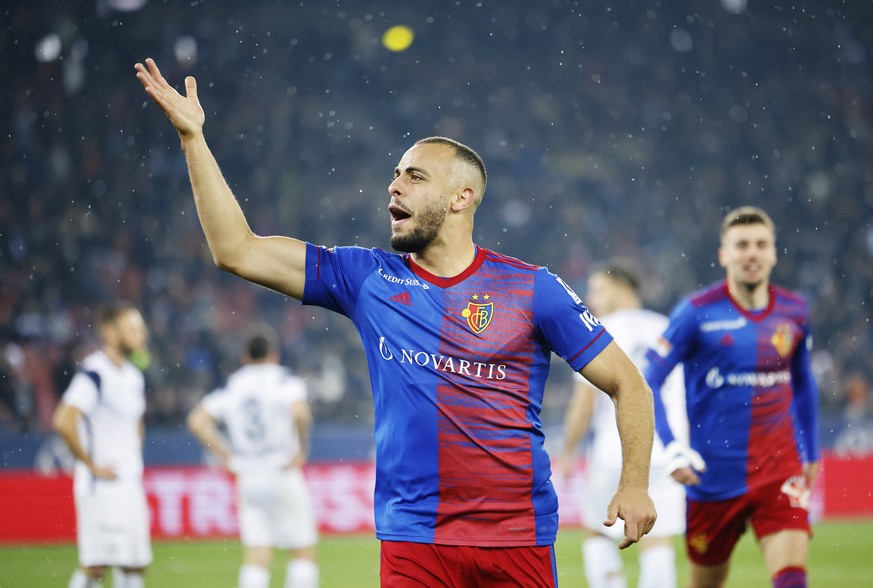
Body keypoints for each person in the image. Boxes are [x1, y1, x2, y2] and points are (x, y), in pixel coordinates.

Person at [135, 57, 657, 587]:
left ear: (461, 198)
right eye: (394, 174)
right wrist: (192, 140)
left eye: (414, 176)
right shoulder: (367, 278)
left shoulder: (531, 288)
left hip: (516, 538)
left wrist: (634, 482)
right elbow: (237, 250)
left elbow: (627, 383)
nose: (394, 186)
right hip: (414, 540)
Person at [644, 206, 820, 588]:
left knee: (793, 581)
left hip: (779, 470)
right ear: (724, 254)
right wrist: (672, 447)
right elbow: (648, 379)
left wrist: (812, 451)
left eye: (760, 244)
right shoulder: (696, 312)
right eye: (741, 245)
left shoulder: (795, 310)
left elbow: (804, 382)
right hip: (711, 476)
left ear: (774, 253)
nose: (751, 253)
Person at [558, 259, 686, 588]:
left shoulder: (599, 328)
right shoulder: (666, 326)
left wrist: (569, 450)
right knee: (658, 540)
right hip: (666, 451)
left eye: (599, 288)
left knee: (596, 531)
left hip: (617, 451)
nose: (592, 297)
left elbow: (584, 404)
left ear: (623, 289)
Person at [187, 324, 319, 588]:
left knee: (257, 554)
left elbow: (197, 421)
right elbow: (301, 414)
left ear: (245, 356)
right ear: (274, 354)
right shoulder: (284, 379)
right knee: (301, 551)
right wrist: (301, 448)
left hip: (249, 477)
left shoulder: (233, 384)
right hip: (280, 470)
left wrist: (227, 454)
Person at [52, 304, 152, 588]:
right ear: (110, 333)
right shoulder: (95, 373)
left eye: (141, 328)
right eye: (133, 329)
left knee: (135, 566)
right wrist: (90, 465)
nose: (141, 335)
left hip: (129, 483)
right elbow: (64, 420)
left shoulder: (134, 376)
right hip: (103, 486)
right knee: (96, 566)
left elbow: (137, 423)